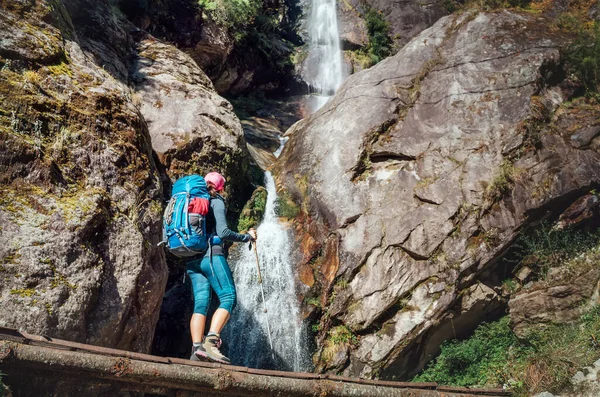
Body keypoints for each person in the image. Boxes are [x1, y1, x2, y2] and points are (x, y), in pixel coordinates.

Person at [187, 172, 256, 364]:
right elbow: (223, 232)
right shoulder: (215, 201)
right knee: (228, 297)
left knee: (200, 304)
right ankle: (211, 342)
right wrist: (247, 237)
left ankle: (196, 349)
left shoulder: (190, 201)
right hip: (211, 256)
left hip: (191, 259)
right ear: (220, 188)